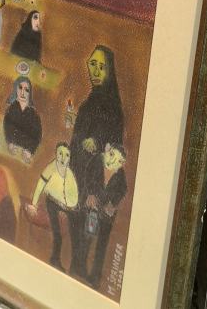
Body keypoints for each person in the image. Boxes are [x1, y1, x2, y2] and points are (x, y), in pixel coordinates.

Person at [69, 45, 124, 277]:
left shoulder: (114, 109)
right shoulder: (87, 104)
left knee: (89, 234)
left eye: (102, 66)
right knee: (76, 232)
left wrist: (97, 143)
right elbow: (76, 140)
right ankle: (77, 271)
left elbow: (115, 152)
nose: (96, 71)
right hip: (77, 178)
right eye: (93, 64)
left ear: (109, 71)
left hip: (96, 186)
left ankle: (83, 275)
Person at [26, 142, 80, 272]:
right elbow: (40, 184)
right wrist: (34, 204)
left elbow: (74, 193)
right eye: (60, 153)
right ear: (56, 154)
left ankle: (76, 264)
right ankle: (54, 260)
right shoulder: (51, 168)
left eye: (66, 155)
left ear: (69, 158)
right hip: (52, 202)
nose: (63, 157)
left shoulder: (70, 173)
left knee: (76, 230)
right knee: (58, 233)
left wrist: (72, 206)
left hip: (67, 206)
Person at [83, 143, 127, 288]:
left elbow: (123, 190)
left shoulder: (120, 174)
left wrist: (113, 204)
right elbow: (88, 175)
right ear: (108, 150)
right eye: (111, 154)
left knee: (101, 244)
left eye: (117, 160)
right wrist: (90, 193)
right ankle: (81, 268)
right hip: (94, 208)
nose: (112, 160)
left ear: (121, 163)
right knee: (89, 236)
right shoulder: (97, 161)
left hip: (107, 215)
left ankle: (95, 277)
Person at [3, 77, 42, 163]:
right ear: (16, 89)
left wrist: (30, 151)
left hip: (26, 154)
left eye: (26, 90)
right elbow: (7, 128)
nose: (22, 92)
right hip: (12, 153)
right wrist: (9, 143)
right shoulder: (11, 109)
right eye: (20, 88)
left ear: (29, 93)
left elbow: (37, 136)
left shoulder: (33, 114)